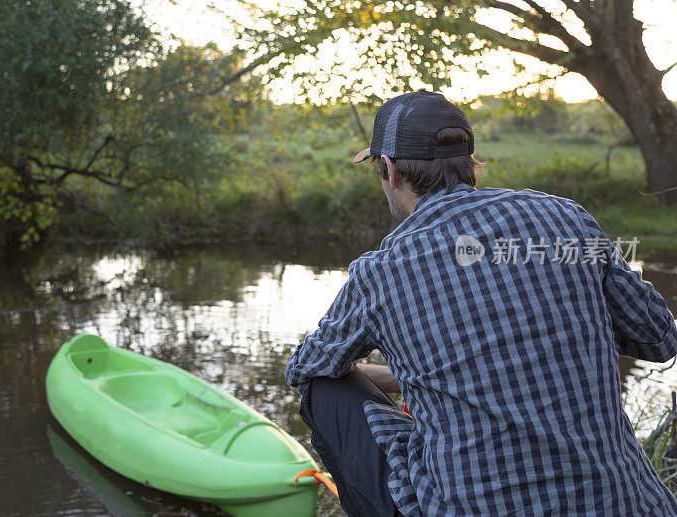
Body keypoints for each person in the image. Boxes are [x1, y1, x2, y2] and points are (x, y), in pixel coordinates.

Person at [284, 89, 677, 516]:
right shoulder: (566, 219)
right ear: (470, 162)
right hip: (630, 505)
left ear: (390, 170)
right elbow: (659, 339)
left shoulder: (380, 271)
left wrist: (386, 374)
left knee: (322, 386)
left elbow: (305, 368)